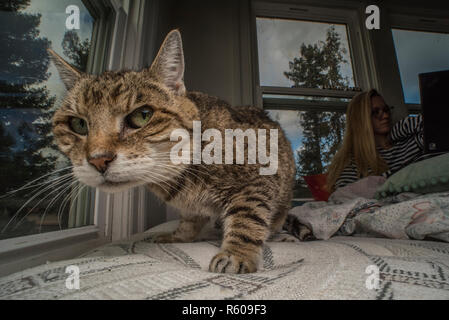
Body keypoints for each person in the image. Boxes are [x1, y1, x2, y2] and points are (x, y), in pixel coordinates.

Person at [327, 89, 426, 193]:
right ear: (361, 119)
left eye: (386, 110)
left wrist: (400, 128)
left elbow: (435, 127)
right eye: (376, 112)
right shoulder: (353, 161)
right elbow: (346, 198)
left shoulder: (409, 143)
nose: (386, 116)